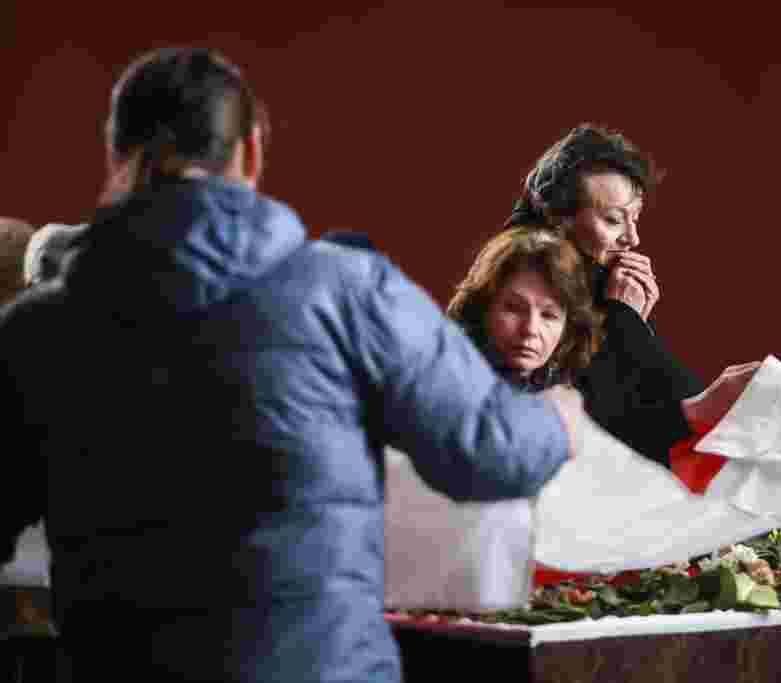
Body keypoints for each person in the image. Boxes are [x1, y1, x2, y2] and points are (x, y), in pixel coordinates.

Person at [0, 47, 584, 682]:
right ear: (251, 152)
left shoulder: (35, 332)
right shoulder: (352, 293)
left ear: (118, 155)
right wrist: (554, 420)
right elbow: (493, 453)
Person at [505, 123, 756, 466]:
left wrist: (631, 324)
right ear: (557, 217)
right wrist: (625, 321)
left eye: (634, 218)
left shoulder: (590, 279)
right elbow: (607, 424)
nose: (632, 239)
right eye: (613, 220)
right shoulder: (524, 278)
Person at [447, 226, 601, 392]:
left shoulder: (562, 392)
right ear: (484, 307)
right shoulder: (448, 376)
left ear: (567, 328)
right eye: (514, 308)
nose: (530, 329)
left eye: (548, 315)